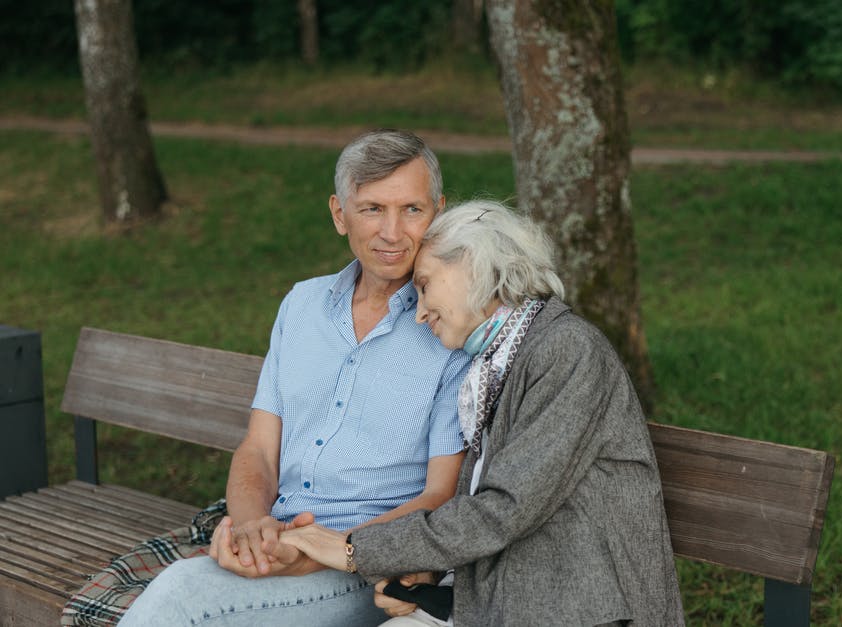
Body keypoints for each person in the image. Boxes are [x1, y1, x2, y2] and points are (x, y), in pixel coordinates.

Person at [118, 130, 470, 626]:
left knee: (179, 600)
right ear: (338, 214)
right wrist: (252, 529)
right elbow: (259, 449)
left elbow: (440, 497)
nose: (393, 232)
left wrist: (318, 552)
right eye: (372, 209)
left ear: (438, 212)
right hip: (281, 538)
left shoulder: (450, 323)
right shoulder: (302, 305)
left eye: (412, 209)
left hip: (365, 563)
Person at [279, 200, 685, 626]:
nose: (418, 313)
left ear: (474, 266)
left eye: (425, 285)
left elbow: (505, 508)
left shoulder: (565, 350)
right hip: (511, 595)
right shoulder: (493, 364)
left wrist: (354, 549)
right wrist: (430, 578)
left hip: (583, 606)